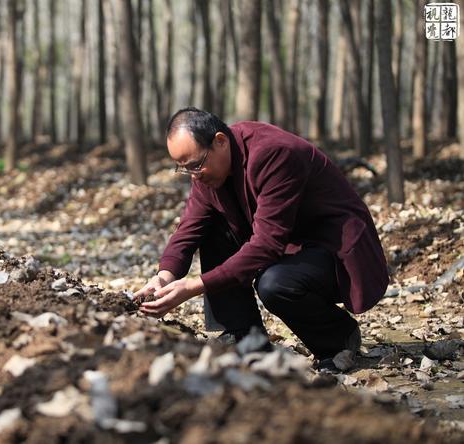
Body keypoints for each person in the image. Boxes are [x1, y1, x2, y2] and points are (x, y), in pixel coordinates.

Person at [133, 107, 389, 369]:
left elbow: (267, 244)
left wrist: (195, 286)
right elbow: (189, 228)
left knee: (275, 284)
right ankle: (244, 335)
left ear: (220, 141)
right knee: (212, 229)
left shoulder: (273, 153)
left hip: (335, 252)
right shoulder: (208, 171)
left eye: (196, 165)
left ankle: (338, 338)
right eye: (185, 169)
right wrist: (164, 277)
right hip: (291, 245)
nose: (195, 175)